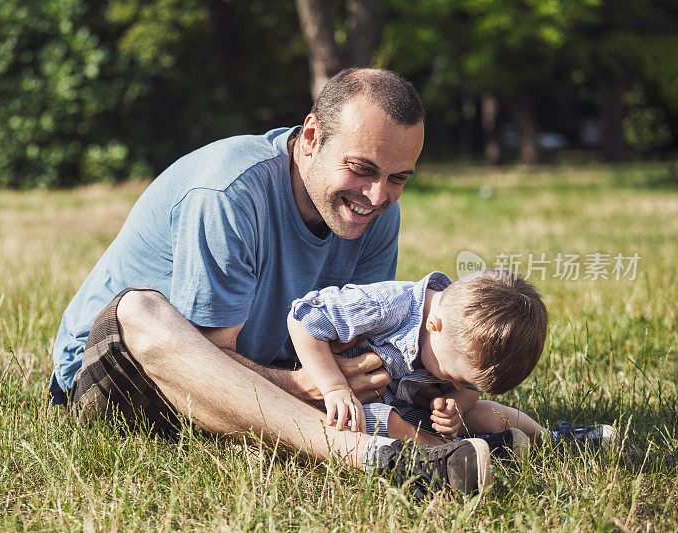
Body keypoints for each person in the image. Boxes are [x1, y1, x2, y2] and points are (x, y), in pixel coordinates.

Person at [49, 68, 492, 497]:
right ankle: (375, 457)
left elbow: (354, 352)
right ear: (312, 137)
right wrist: (307, 386)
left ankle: (489, 439)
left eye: (398, 179)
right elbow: (211, 362)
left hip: (253, 381)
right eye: (361, 169)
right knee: (139, 313)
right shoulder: (229, 194)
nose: (377, 196)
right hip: (120, 374)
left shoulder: (378, 214)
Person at [289, 268, 616, 452]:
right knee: (386, 420)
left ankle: (550, 441)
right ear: (434, 326)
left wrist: (456, 403)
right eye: (456, 376)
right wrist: (333, 388)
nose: (458, 384)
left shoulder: (457, 339)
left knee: (487, 413)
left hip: (414, 409)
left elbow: (469, 387)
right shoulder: (386, 305)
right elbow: (303, 318)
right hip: (354, 409)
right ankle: (447, 453)